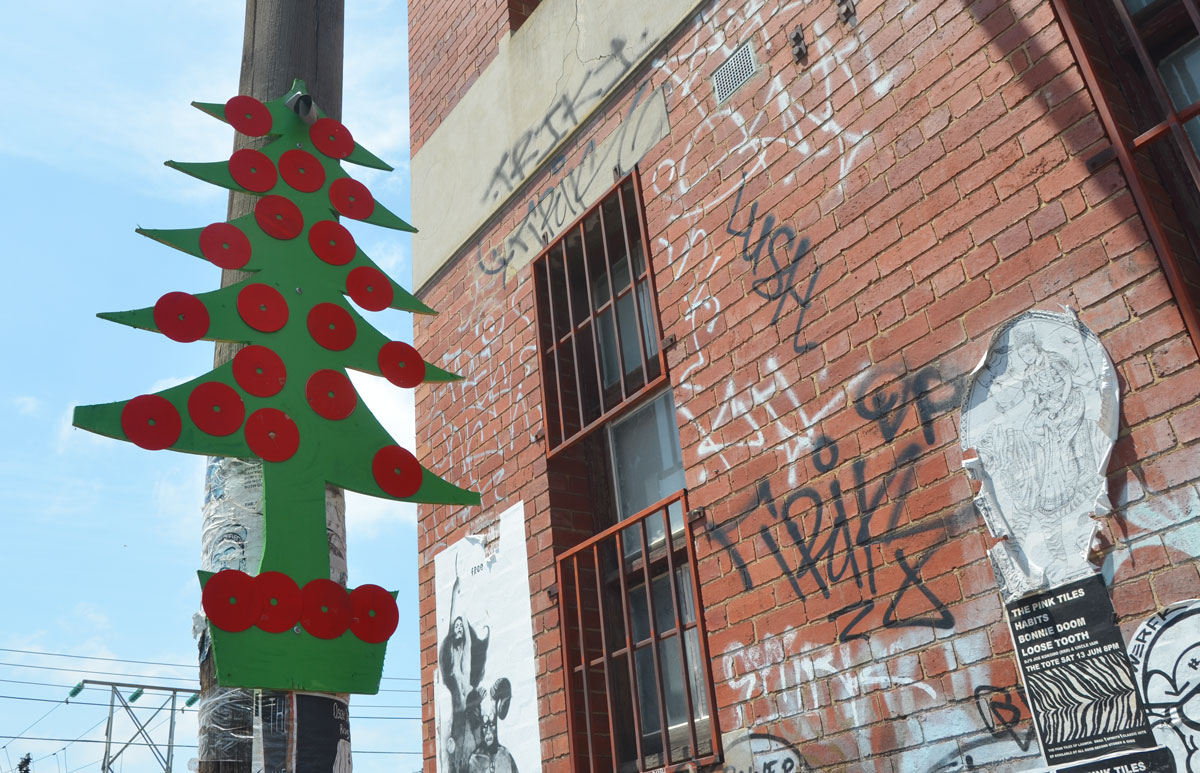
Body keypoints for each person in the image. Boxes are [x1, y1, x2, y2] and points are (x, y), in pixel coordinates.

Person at [440, 570, 490, 773]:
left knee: (476, 755)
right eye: (457, 626)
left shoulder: (467, 661)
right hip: (458, 716)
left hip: (471, 712)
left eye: (461, 625)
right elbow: (452, 623)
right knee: (457, 761)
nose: (459, 627)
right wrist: (454, 595)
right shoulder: (452, 660)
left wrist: (464, 604)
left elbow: (468, 638)